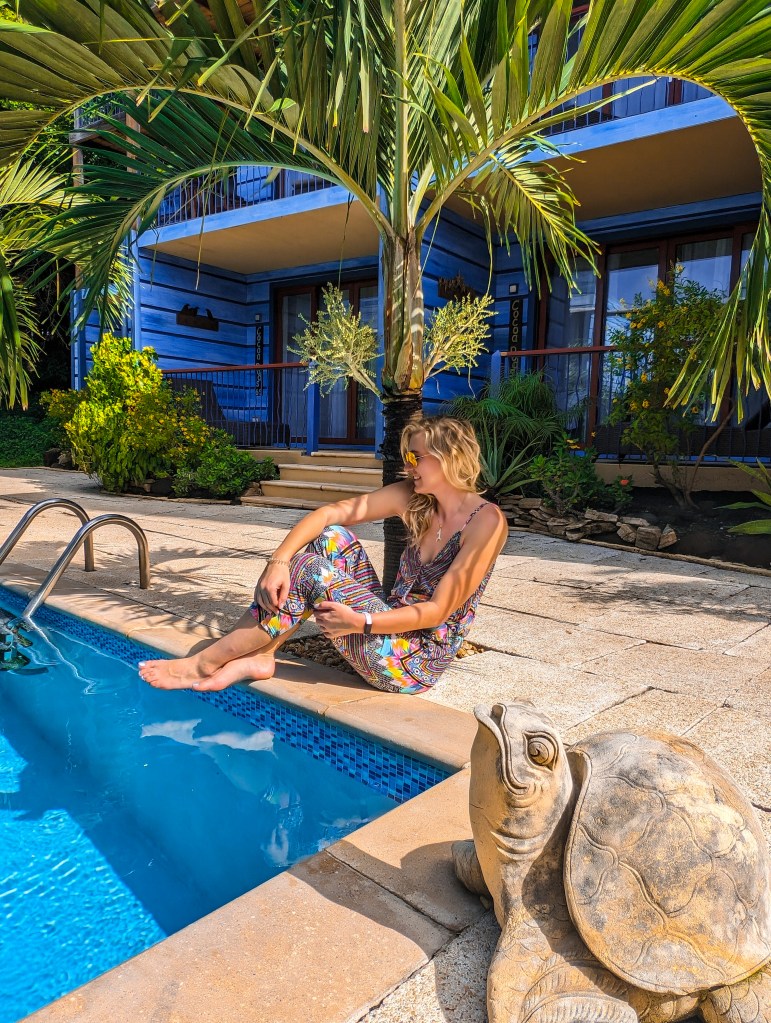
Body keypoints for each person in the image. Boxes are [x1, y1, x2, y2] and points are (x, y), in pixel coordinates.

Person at [138, 416, 508, 696]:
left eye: (416, 456)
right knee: (330, 538)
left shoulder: (486, 522)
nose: (407, 465)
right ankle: (264, 653)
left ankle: (205, 663)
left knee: (312, 570)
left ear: (448, 458)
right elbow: (331, 514)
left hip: (414, 660)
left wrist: (359, 622)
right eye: (406, 455)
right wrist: (278, 560)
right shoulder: (414, 498)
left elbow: (438, 612)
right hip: (387, 624)